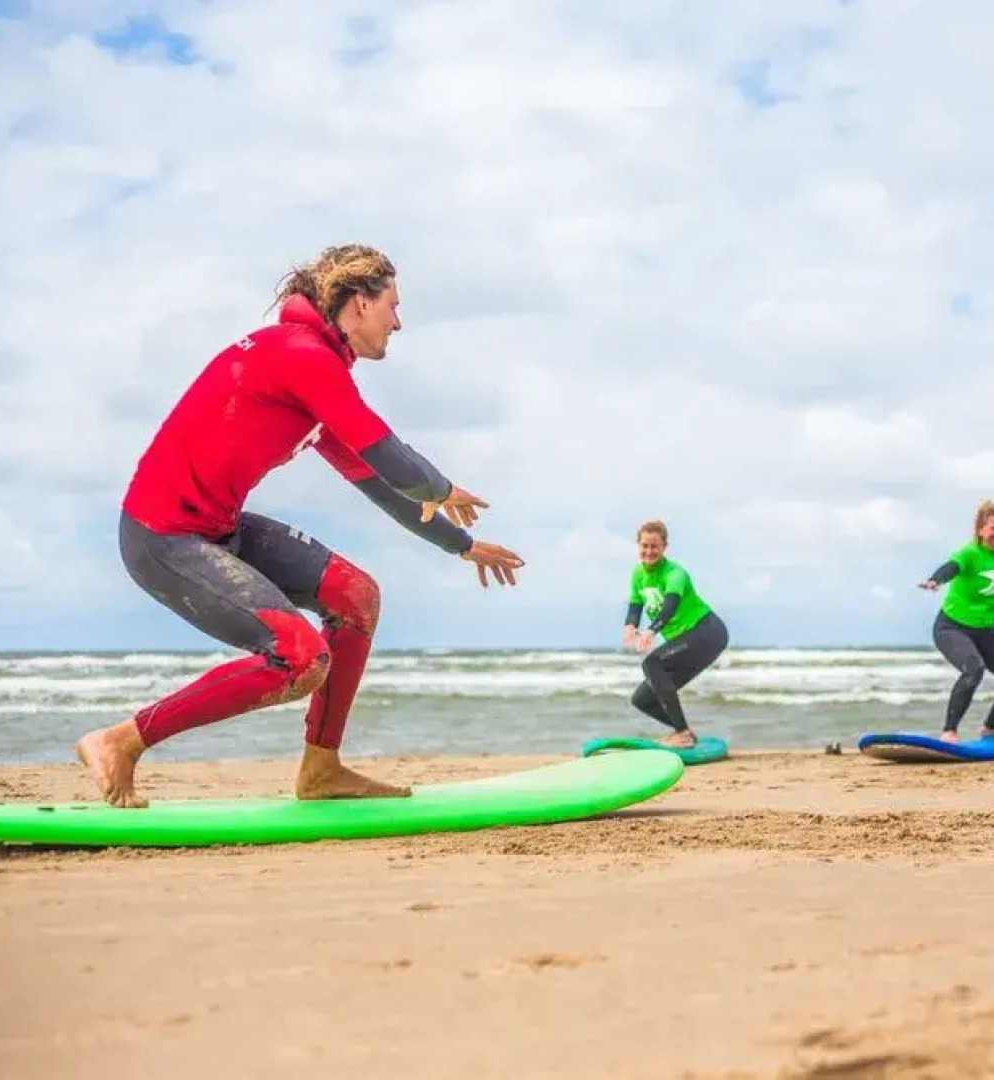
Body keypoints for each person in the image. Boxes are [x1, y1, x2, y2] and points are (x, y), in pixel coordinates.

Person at [76, 244, 526, 808]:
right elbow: (389, 455)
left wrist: (462, 546)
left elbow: (376, 479)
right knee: (299, 656)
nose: (399, 322)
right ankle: (121, 740)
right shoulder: (301, 355)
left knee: (355, 595)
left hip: (218, 528)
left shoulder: (317, 372)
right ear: (359, 304)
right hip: (162, 537)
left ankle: (321, 771)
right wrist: (440, 487)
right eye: (393, 305)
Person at [918, 499, 994, 741]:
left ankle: (991, 726)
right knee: (974, 668)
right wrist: (935, 580)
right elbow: (951, 567)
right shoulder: (969, 553)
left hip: (985, 633)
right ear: (980, 529)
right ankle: (949, 731)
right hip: (951, 628)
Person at [621, 520, 729, 749]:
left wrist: (651, 630)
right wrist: (630, 626)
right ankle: (685, 732)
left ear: (664, 548)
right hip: (688, 640)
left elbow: (670, 605)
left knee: (652, 662)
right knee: (642, 698)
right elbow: (635, 606)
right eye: (644, 546)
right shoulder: (638, 575)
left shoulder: (675, 573)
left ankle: (681, 733)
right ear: (638, 545)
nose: (649, 552)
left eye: (654, 547)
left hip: (706, 632)